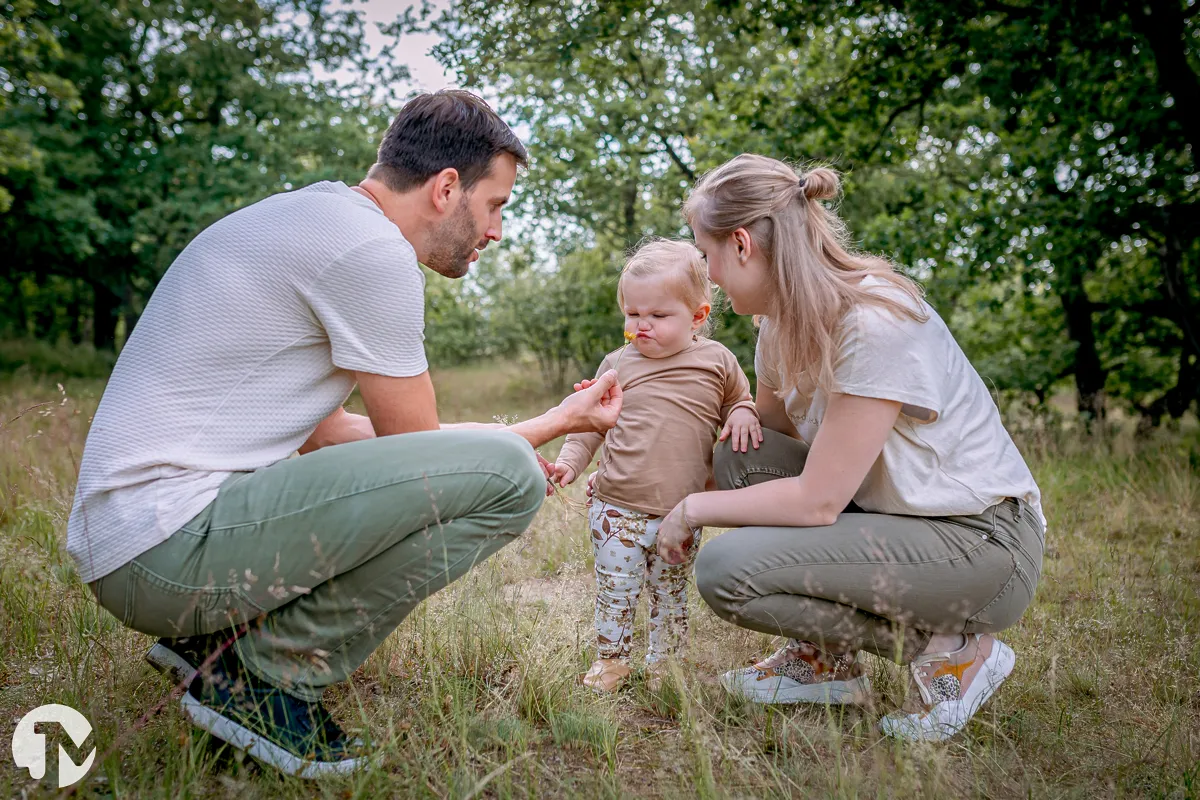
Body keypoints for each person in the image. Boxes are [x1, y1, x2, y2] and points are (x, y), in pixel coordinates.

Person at [66, 90, 622, 778]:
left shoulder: (307, 220)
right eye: (496, 205)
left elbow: (333, 437)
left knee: (498, 463)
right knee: (508, 480)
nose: (497, 231)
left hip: (131, 548)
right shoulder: (370, 251)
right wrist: (529, 442)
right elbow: (422, 460)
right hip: (166, 549)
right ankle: (264, 677)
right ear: (447, 188)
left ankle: (216, 643)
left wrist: (558, 422)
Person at [651, 154, 1045, 742]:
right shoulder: (779, 324)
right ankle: (823, 663)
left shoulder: (873, 321)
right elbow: (766, 441)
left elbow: (817, 501)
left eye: (707, 258)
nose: (708, 277)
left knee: (726, 570)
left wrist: (691, 510)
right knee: (741, 452)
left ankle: (955, 653)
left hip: (981, 544)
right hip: (893, 522)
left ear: (741, 245)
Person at [551, 239, 760, 692]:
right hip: (616, 506)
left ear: (697, 316)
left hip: (681, 512)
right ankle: (611, 661)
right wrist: (570, 461)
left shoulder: (716, 360)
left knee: (670, 592)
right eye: (632, 314)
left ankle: (666, 663)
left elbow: (738, 401)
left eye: (658, 316)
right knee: (616, 588)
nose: (640, 326)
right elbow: (589, 426)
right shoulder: (617, 365)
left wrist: (744, 411)